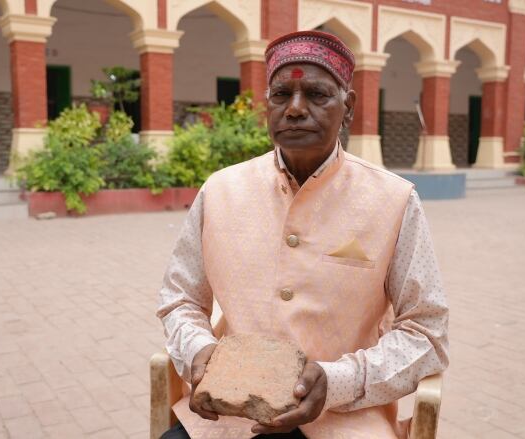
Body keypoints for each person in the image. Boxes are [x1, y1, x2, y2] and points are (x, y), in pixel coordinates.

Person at [157, 31, 449, 439]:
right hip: (227, 419)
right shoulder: (220, 191)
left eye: (316, 94)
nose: (295, 109)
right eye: (282, 94)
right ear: (268, 105)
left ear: (348, 107)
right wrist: (200, 355)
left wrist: (337, 382)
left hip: (345, 420)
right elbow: (180, 299)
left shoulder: (394, 201)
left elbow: (428, 332)